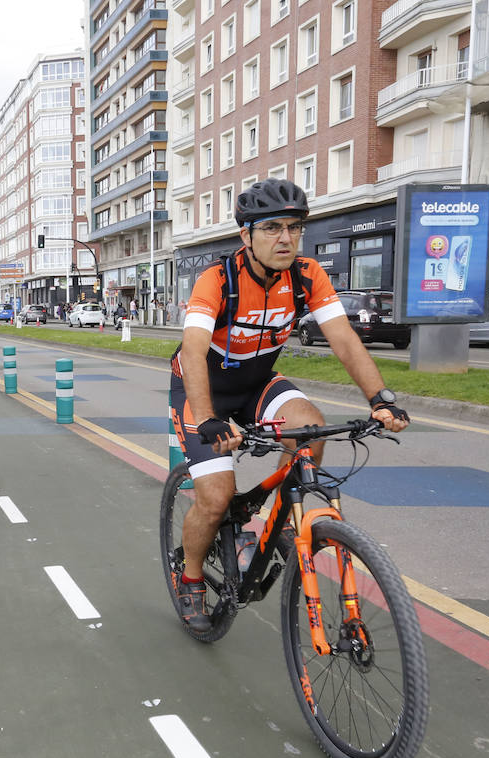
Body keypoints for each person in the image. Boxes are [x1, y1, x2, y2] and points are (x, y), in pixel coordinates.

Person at [168, 179, 410, 634]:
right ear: (247, 236)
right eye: (273, 228)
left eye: (294, 228)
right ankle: (192, 577)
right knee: (216, 496)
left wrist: (380, 399)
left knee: (310, 431)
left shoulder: (306, 275)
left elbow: (343, 339)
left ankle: (270, 519)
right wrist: (207, 419)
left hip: (257, 382)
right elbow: (194, 350)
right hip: (203, 390)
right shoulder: (217, 280)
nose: (286, 238)